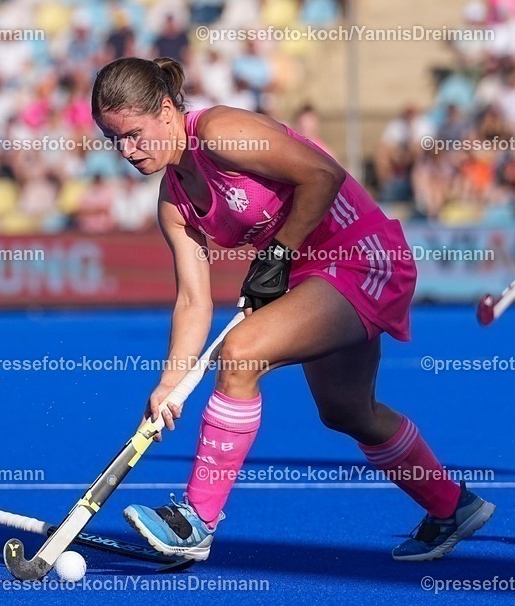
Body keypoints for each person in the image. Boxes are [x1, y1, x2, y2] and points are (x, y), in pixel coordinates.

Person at [91, 57, 495, 562]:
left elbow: (323, 175)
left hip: (363, 255)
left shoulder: (220, 133)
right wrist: (171, 382)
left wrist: (279, 252)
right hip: (310, 277)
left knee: (241, 354)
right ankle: (452, 506)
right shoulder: (173, 204)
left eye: (133, 134)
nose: (126, 151)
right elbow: (193, 299)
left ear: (167, 110)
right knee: (347, 411)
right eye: (114, 140)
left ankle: (196, 520)